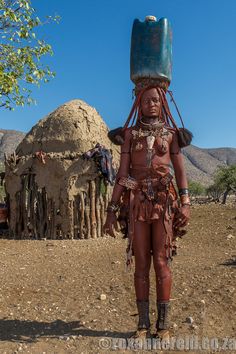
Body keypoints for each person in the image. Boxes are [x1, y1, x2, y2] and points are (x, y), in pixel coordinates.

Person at [103, 86, 190, 340]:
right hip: (138, 205)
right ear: (139, 104)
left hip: (164, 204)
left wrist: (185, 203)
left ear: (163, 103)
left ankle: (163, 327)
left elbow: (180, 171)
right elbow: (123, 176)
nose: (152, 104)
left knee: (162, 261)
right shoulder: (130, 135)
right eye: (147, 100)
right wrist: (113, 209)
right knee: (141, 263)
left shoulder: (172, 135)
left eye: (156, 100)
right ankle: (142, 326)